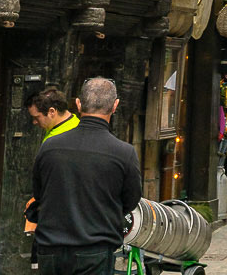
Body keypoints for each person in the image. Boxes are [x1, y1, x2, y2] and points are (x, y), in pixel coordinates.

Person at [32, 76, 142, 275]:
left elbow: (39, 193)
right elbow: (130, 200)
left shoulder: (50, 146)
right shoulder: (123, 153)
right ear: (114, 106)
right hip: (95, 247)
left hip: (51, 248)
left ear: (78, 104)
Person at [25, 88, 81, 269]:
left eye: (37, 117)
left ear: (52, 112)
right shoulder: (70, 126)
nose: (34, 122)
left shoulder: (61, 139)